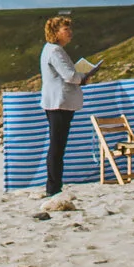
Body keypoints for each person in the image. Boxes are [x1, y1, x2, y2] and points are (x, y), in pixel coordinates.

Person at [37, 14, 98, 197]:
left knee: (57, 144)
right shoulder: (55, 51)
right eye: (65, 29)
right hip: (59, 102)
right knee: (57, 145)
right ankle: (53, 186)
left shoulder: (52, 49)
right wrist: (84, 77)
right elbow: (70, 75)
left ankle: (55, 184)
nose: (70, 32)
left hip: (58, 101)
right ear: (55, 32)